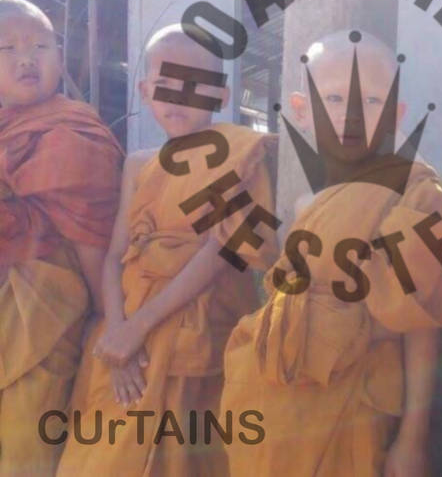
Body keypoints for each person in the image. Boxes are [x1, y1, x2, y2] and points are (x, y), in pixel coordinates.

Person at [220, 30, 442, 476]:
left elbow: (419, 323)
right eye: (333, 98)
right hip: (275, 396)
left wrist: (412, 440)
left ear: (395, 114)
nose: (351, 115)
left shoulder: (413, 194)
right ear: (301, 111)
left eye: (371, 101)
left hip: (354, 400)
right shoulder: (301, 202)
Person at [57, 24, 277, 476]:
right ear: (145, 91)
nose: (179, 97)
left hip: (195, 327)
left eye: (196, 85)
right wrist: (116, 332)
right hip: (128, 333)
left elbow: (225, 250)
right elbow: (117, 254)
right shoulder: (138, 164)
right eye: (166, 84)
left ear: (221, 95)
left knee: (187, 453)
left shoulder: (238, 156)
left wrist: (138, 327)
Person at [0, 0, 122, 475]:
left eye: (39, 46)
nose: (26, 59)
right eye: (8, 48)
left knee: (24, 442)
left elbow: (92, 235)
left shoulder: (73, 130)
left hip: (46, 313)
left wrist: (105, 315)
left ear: (59, 53)